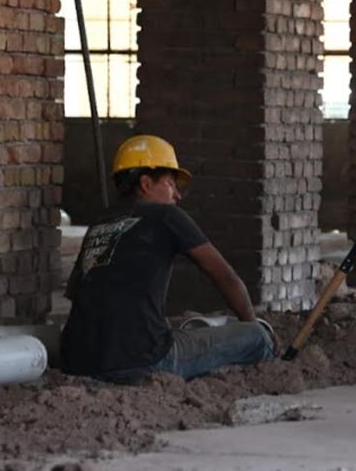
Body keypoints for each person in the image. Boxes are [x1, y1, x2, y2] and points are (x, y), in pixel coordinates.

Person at [60, 135, 276, 383]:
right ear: (146, 183)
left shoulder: (100, 224)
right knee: (256, 337)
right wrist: (252, 325)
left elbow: (86, 294)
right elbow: (225, 277)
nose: (177, 196)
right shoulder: (166, 216)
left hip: (76, 361)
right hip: (142, 361)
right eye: (170, 184)